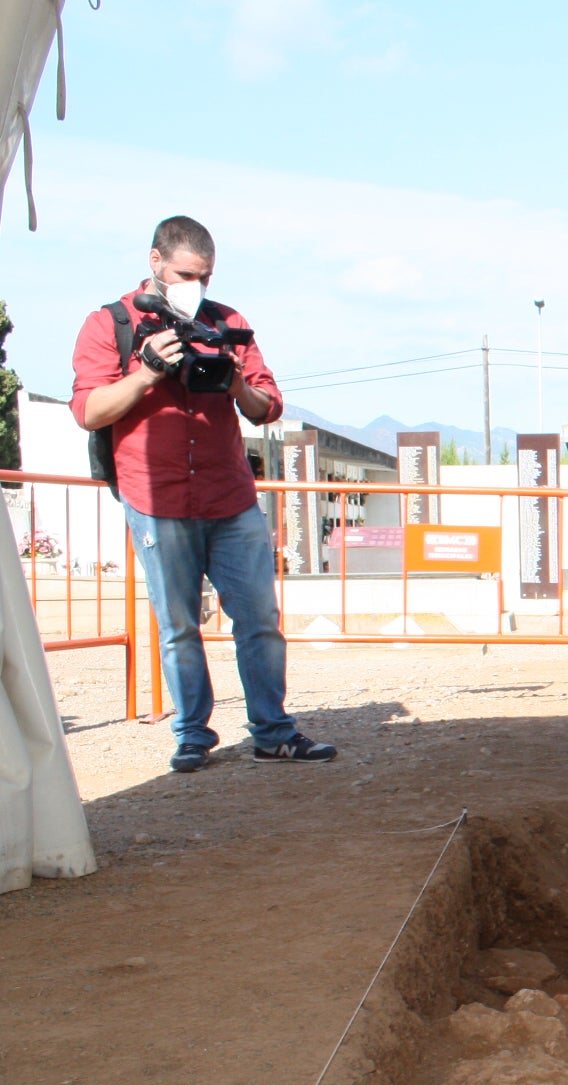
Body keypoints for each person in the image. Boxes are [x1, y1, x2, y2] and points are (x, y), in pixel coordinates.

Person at [70, 214, 335, 773]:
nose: (196, 286)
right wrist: (145, 372)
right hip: (156, 498)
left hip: (229, 496)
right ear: (155, 262)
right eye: (186, 273)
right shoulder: (110, 324)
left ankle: (274, 732)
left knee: (259, 618)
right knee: (179, 625)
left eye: (206, 276)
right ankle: (193, 734)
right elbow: (89, 411)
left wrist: (235, 377)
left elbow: (267, 406)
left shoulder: (227, 322)